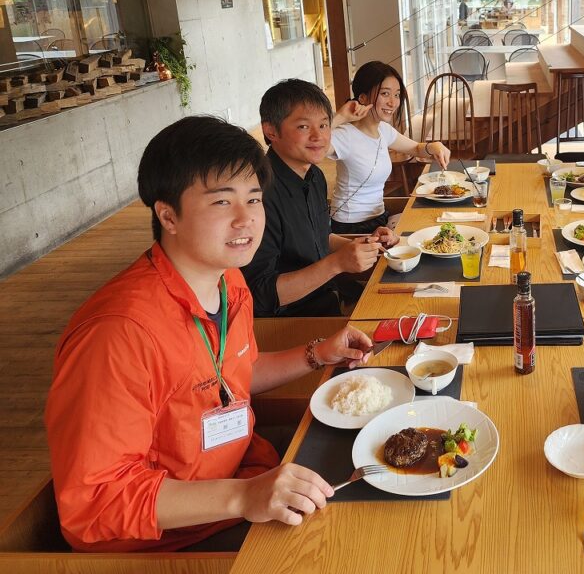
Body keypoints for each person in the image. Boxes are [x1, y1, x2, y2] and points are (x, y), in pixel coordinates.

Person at [44, 116, 376, 552]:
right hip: (176, 539)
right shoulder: (117, 334)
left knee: (376, 462)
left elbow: (233, 376)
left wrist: (316, 354)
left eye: (254, 199)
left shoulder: (227, 281)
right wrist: (244, 497)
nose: (246, 219)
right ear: (168, 215)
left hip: (244, 472)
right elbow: (95, 501)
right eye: (222, 202)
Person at [242, 79, 385, 317]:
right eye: (303, 127)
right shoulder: (257, 195)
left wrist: (370, 245)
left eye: (324, 125)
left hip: (329, 299)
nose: (318, 136)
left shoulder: (315, 176)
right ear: (271, 131)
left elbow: (320, 238)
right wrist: (337, 263)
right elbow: (260, 295)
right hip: (291, 323)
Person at [330, 61, 451, 234]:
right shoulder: (344, 135)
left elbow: (417, 149)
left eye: (396, 95)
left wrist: (434, 146)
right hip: (351, 227)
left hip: (379, 218)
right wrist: (341, 116)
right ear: (362, 98)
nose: (393, 103)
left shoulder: (383, 130)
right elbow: (312, 147)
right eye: (385, 94)